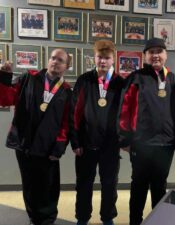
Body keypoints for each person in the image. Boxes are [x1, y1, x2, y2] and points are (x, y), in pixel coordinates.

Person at [0, 49, 72, 225]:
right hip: (25, 144)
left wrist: (59, 147)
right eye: (53, 58)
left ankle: (47, 219)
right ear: (48, 60)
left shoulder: (67, 91)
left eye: (60, 60)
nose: (55, 62)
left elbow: (66, 124)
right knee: (30, 185)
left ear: (66, 67)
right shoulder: (28, 79)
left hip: (48, 148)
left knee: (48, 186)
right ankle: (34, 218)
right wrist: (4, 76)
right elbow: (6, 99)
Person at [119, 37, 175, 225]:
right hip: (141, 144)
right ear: (145, 56)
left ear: (165, 55)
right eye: (151, 52)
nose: (155, 55)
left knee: (159, 188)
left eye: (159, 51)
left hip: (165, 144)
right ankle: (135, 222)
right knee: (139, 187)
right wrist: (125, 139)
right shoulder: (135, 78)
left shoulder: (172, 78)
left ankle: (157, 222)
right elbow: (124, 110)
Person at [69, 40, 124, 225]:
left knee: (110, 185)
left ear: (113, 59)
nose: (102, 61)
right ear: (94, 57)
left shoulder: (120, 83)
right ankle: (82, 218)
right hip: (86, 145)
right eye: (99, 57)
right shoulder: (84, 80)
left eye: (107, 58)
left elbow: (125, 115)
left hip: (110, 145)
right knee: (84, 185)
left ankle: (108, 218)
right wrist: (75, 142)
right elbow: (74, 112)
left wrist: (122, 141)